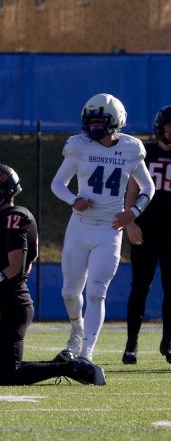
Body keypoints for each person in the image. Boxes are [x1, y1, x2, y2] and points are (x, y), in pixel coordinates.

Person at [0, 163, 106, 386]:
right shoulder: (2, 218)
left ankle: (72, 368)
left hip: (12, 305)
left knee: (6, 376)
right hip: (0, 305)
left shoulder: (14, 217)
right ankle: (61, 362)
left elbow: (15, 268)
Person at [51, 93, 155, 362]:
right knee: (69, 292)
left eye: (100, 121)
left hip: (110, 229)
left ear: (115, 121)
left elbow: (148, 187)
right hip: (80, 226)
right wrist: (74, 200)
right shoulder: (79, 146)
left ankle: (87, 352)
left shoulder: (131, 148)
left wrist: (133, 212)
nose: (93, 126)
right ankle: (76, 330)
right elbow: (58, 184)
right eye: (91, 121)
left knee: (97, 292)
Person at [122, 104, 171, 364]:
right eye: (169, 128)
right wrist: (130, 222)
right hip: (145, 230)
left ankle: (168, 341)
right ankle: (131, 344)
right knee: (139, 288)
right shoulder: (146, 152)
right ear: (160, 128)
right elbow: (132, 189)